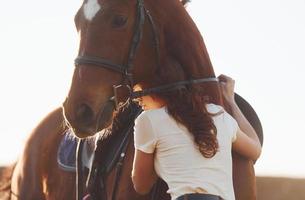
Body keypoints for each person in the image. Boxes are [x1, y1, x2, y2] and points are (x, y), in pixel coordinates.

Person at [131, 74, 261, 200]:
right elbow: (256, 149)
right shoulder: (220, 115)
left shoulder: (149, 119)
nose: (138, 100)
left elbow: (141, 186)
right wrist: (231, 101)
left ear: (157, 88)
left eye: (140, 92)